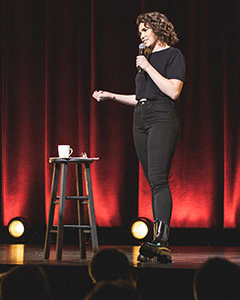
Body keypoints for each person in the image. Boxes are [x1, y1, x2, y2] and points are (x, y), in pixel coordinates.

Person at [92, 11, 185, 263]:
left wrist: (148, 66)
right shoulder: (145, 60)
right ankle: (159, 241)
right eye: (140, 31)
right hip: (141, 117)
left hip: (162, 117)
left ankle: (162, 240)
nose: (141, 35)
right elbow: (140, 97)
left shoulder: (172, 56)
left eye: (145, 30)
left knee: (158, 179)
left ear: (158, 29)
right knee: (152, 180)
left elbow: (172, 91)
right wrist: (111, 96)